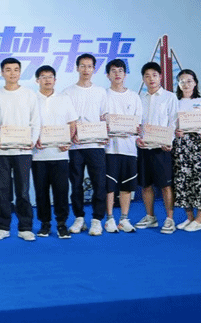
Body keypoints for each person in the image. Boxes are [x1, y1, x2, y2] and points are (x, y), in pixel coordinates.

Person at [0, 57, 40, 241]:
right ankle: (3, 226)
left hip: (23, 151)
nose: (12, 73)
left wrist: (31, 141)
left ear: (20, 72)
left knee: (23, 191)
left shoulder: (29, 94)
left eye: (16, 70)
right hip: (1, 151)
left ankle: (25, 227)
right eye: (8, 70)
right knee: (2, 190)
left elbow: (36, 121)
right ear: (2, 73)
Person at [62, 53, 108, 236]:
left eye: (89, 66)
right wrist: (69, 135)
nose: (86, 70)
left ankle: (97, 219)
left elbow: (105, 116)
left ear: (94, 69)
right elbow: (66, 119)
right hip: (76, 146)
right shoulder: (67, 92)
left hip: (96, 145)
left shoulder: (101, 91)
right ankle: (79, 217)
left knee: (99, 183)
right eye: (82, 66)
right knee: (76, 184)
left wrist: (105, 133)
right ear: (77, 68)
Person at [32, 65, 77, 240]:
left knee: (61, 190)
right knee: (41, 191)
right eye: (43, 77)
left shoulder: (64, 98)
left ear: (55, 80)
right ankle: (44, 224)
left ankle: (61, 224)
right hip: (38, 154)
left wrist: (68, 140)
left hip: (60, 154)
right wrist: (33, 139)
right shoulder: (31, 99)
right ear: (37, 80)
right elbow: (28, 124)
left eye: (50, 76)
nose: (47, 80)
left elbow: (72, 123)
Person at [134, 62, 179, 234]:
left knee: (166, 185)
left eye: (154, 75)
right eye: (147, 76)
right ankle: (150, 217)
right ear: (143, 79)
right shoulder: (139, 98)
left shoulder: (170, 97)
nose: (151, 79)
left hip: (162, 148)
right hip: (144, 147)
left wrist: (169, 140)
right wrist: (137, 138)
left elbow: (173, 121)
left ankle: (169, 219)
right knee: (146, 185)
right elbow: (136, 123)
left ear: (160, 76)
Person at [102, 59, 141, 234]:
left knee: (127, 186)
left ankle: (124, 219)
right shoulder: (103, 95)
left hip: (129, 148)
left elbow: (138, 123)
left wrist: (136, 131)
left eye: (120, 70)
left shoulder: (134, 96)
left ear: (125, 74)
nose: (117, 74)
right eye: (113, 71)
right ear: (107, 75)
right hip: (109, 148)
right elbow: (99, 119)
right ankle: (109, 219)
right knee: (109, 186)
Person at [172, 69, 201, 232]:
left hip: (197, 145)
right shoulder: (175, 102)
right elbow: (170, 123)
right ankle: (189, 218)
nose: (186, 84)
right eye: (182, 81)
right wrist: (175, 131)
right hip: (180, 145)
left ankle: (199, 220)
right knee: (182, 181)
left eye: (189, 81)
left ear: (195, 83)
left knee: (199, 180)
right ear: (178, 84)